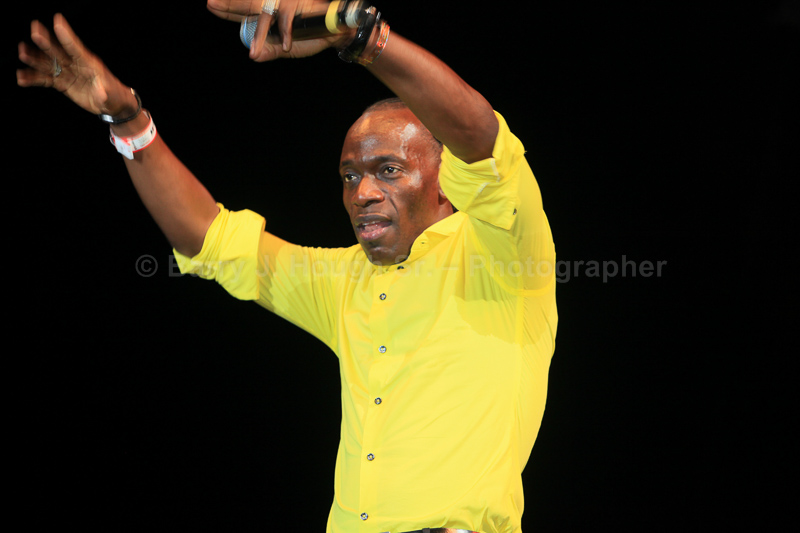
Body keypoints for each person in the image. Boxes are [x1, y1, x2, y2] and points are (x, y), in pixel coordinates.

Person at [16, 1, 558, 531]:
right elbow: (207, 237)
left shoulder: (503, 251)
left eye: (389, 170)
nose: (363, 192)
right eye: (350, 176)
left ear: (446, 180)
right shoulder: (345, 282)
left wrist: (356, 32)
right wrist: (128, 119)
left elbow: (479, 138)